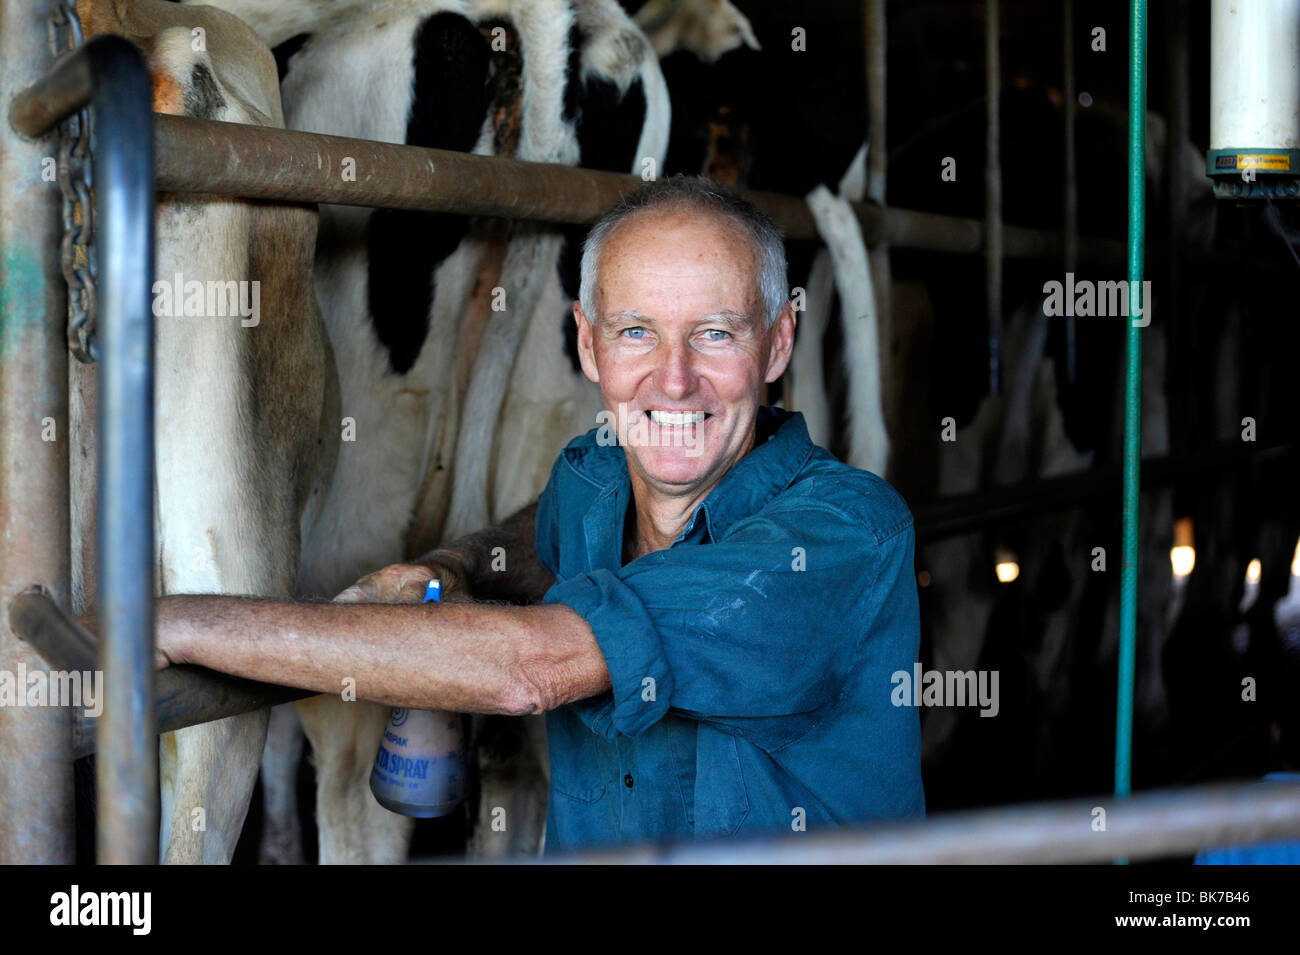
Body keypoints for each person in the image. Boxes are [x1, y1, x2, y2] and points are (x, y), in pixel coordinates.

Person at [142, 175, 925, 853]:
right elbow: (542, 524)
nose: (675, 379)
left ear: (780, 342)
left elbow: (532, 667)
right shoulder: (593, 481)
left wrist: (177, 623)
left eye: (716, 333)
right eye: (636, 333)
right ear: (588, 346)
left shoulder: (842, 535)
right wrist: (453, 565)